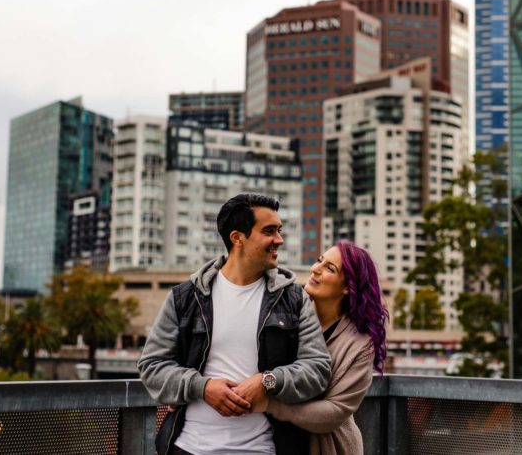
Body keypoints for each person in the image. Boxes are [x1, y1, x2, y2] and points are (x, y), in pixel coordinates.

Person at [137, 193, 331, 455]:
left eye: (279, 230)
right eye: (269, 231)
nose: (279, 240)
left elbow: (318, 369)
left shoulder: (294, 300)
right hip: (189, 448)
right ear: (237, 238)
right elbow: (152, 367)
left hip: (264, 449)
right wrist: (203, 388)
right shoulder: (185, 298)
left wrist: (268, 381)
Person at [256, 241, 388, 455]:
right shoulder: (288, 314)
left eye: (330, 268)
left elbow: (335, 412)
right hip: (271, 441)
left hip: (330, 448)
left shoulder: (360, 344)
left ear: (348, 287)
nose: (315, 269)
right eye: (320, 261)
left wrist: (270, 404)